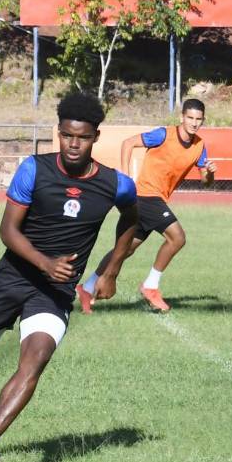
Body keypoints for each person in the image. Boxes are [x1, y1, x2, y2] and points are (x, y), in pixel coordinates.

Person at [0, 92, 138, 462]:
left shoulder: (116, 184)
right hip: (12, 278)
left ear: (96, 136)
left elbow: (132, 218)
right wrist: (45, 262)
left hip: (53, 293)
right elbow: (7, 230)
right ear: (57, 134)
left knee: (35, 360)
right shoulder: (34, 169)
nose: (72, 144)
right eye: (65, 136)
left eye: (81, 137)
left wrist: (111, 270)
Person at [76, 98, 215, 314]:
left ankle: (87, 287)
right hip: (146, 195)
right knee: (177, 238)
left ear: (203, 120)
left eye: (198, 119)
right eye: (190, 118)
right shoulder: (163, 134)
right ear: (182, 117)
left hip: (157, 198)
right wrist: (124, 177)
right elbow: (128, 143)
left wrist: (210, 172)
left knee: (125, 249)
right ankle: (151, 286)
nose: (194, 123)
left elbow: (206, 182)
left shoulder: (199, 146)